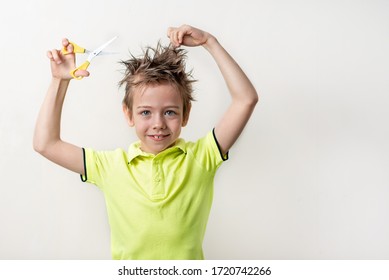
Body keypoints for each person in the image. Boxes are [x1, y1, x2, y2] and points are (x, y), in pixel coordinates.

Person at [33, 24, 258, 260]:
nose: (158, 123)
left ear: (186, 113)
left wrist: (210, 42)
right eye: (145, 112)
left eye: (170, 112)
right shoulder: (109, 166)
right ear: (128, 114)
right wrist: (60, 80)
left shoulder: (201, 157)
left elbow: (246, 99)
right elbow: (45, 144)